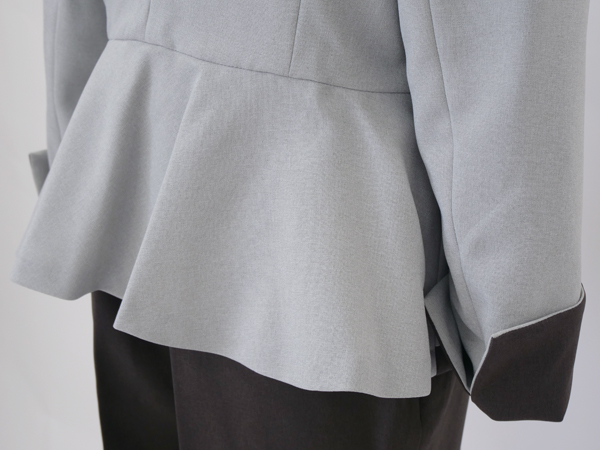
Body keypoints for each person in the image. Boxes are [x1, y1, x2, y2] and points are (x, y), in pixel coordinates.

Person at [11, 0, 590, 448]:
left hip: (134, 166)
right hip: (322, 237)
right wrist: (520, 311)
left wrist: (78, 163)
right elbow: (496, 28)